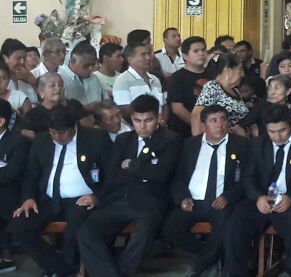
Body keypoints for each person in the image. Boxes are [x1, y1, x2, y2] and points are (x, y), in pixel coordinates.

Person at [79, 94, 181, 277]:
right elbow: (113, 174)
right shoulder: (123, 139)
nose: (142, 126)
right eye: (137, 120)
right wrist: (98, 196)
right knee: (87, 231)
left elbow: (162, 174)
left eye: (148, 120)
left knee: (143, 233)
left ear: (158, 117)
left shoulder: (171, 140)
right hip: (119, 199)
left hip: (151, 202)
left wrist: (132, 166)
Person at [11, 105, 110, 277]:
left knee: (75, 229)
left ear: (74, 126)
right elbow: (31, 174)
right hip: (48, 199)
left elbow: (111, 174)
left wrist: (97, 196)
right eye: (53, 132)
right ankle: (59, 268)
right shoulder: (42, 141)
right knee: (20, 226)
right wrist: (28, 197)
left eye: (62, 133)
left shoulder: (96, 138)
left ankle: (64, 269)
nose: (57, 137)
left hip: (82, 200)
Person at [224, 103, 291, 277]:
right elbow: (248, 177)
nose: (277, 137)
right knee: (235, 223)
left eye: (282, 130)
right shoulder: (257, 145)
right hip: (262, 199)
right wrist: (258, 197)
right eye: (272, 132)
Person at [161, 104, 247, 277]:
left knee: (227, 225)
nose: (219, 125)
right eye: (213, 120)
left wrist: (228, 197)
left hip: (221, 202)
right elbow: (178, 178)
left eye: (223, 120)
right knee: (169, 229)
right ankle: (211, 257)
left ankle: (198, 266)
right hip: (193, 201)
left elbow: (247, 180)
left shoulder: (241, 145)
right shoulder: (189, 145)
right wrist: (182, 198)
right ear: (203, 125)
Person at [192, 51, 252, 135]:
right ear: (229, 70)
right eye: (240, 69)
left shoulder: (235, 91)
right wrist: (198, 140)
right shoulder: (213, 87)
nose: (242, 74)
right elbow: (196, 116)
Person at [0, 99, 29, 273]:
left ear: (1, 121)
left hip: (11, 194)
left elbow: (11, 174)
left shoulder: (18, 142)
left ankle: (6, 257)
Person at [19, 72, 85, 139]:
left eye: (61, 85)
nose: (58, 88)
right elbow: (27, 134)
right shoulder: (33, 115)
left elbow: (85, 129)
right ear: (41, 91)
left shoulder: (74, 105)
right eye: (52, 86)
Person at [112, 41, 165, 121]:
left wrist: (161, 122)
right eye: (143, 54)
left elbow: (163, 105)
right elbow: (124, 110)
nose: (148, 58)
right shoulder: (122, 80)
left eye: (148, 54)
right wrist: (145, 124)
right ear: (130, 60)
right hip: (133, 127)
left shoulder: (155, 79)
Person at [168, 36, 210, 137]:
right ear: (185, 56)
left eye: (203, 50)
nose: (201, 53)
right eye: (196, 51)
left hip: (213, 129)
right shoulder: (177, 77)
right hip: (185, 132)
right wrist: (199, 126)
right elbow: (177, 108)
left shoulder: (214, 75)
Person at [66, 41, 105, 111]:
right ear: (73, 61)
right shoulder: (60, 80)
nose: (91, 68)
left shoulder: (95, 79)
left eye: (93, 65)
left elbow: (106, 101)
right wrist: (84, 108)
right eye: (87, 65)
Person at [1, 39, 39, 105]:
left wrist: (34, 82)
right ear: (5, 58)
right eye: (18, 58)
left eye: (24, 58)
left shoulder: (28, 75)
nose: (22, 62)